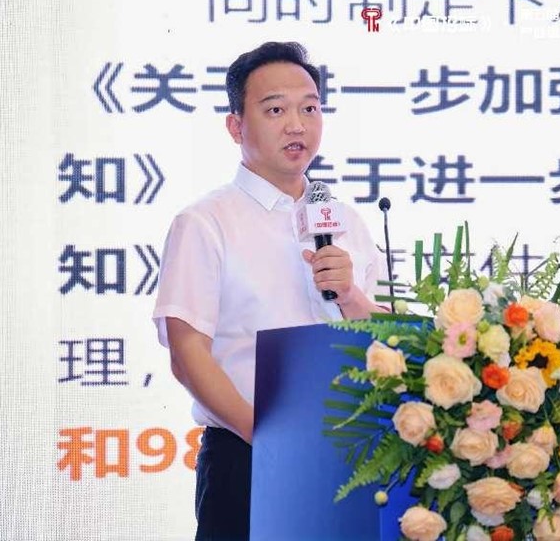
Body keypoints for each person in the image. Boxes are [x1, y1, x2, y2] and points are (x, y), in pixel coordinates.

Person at [151, 41, 388, 541]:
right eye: (276, 110)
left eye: (310, 108)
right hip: (248, 456)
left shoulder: (346, 221)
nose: (297, 125)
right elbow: (187, 354)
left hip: (351, 458)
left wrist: (351, 296)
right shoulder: (206, 222)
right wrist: (270, 438)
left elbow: (387, 343)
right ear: (236, 126)